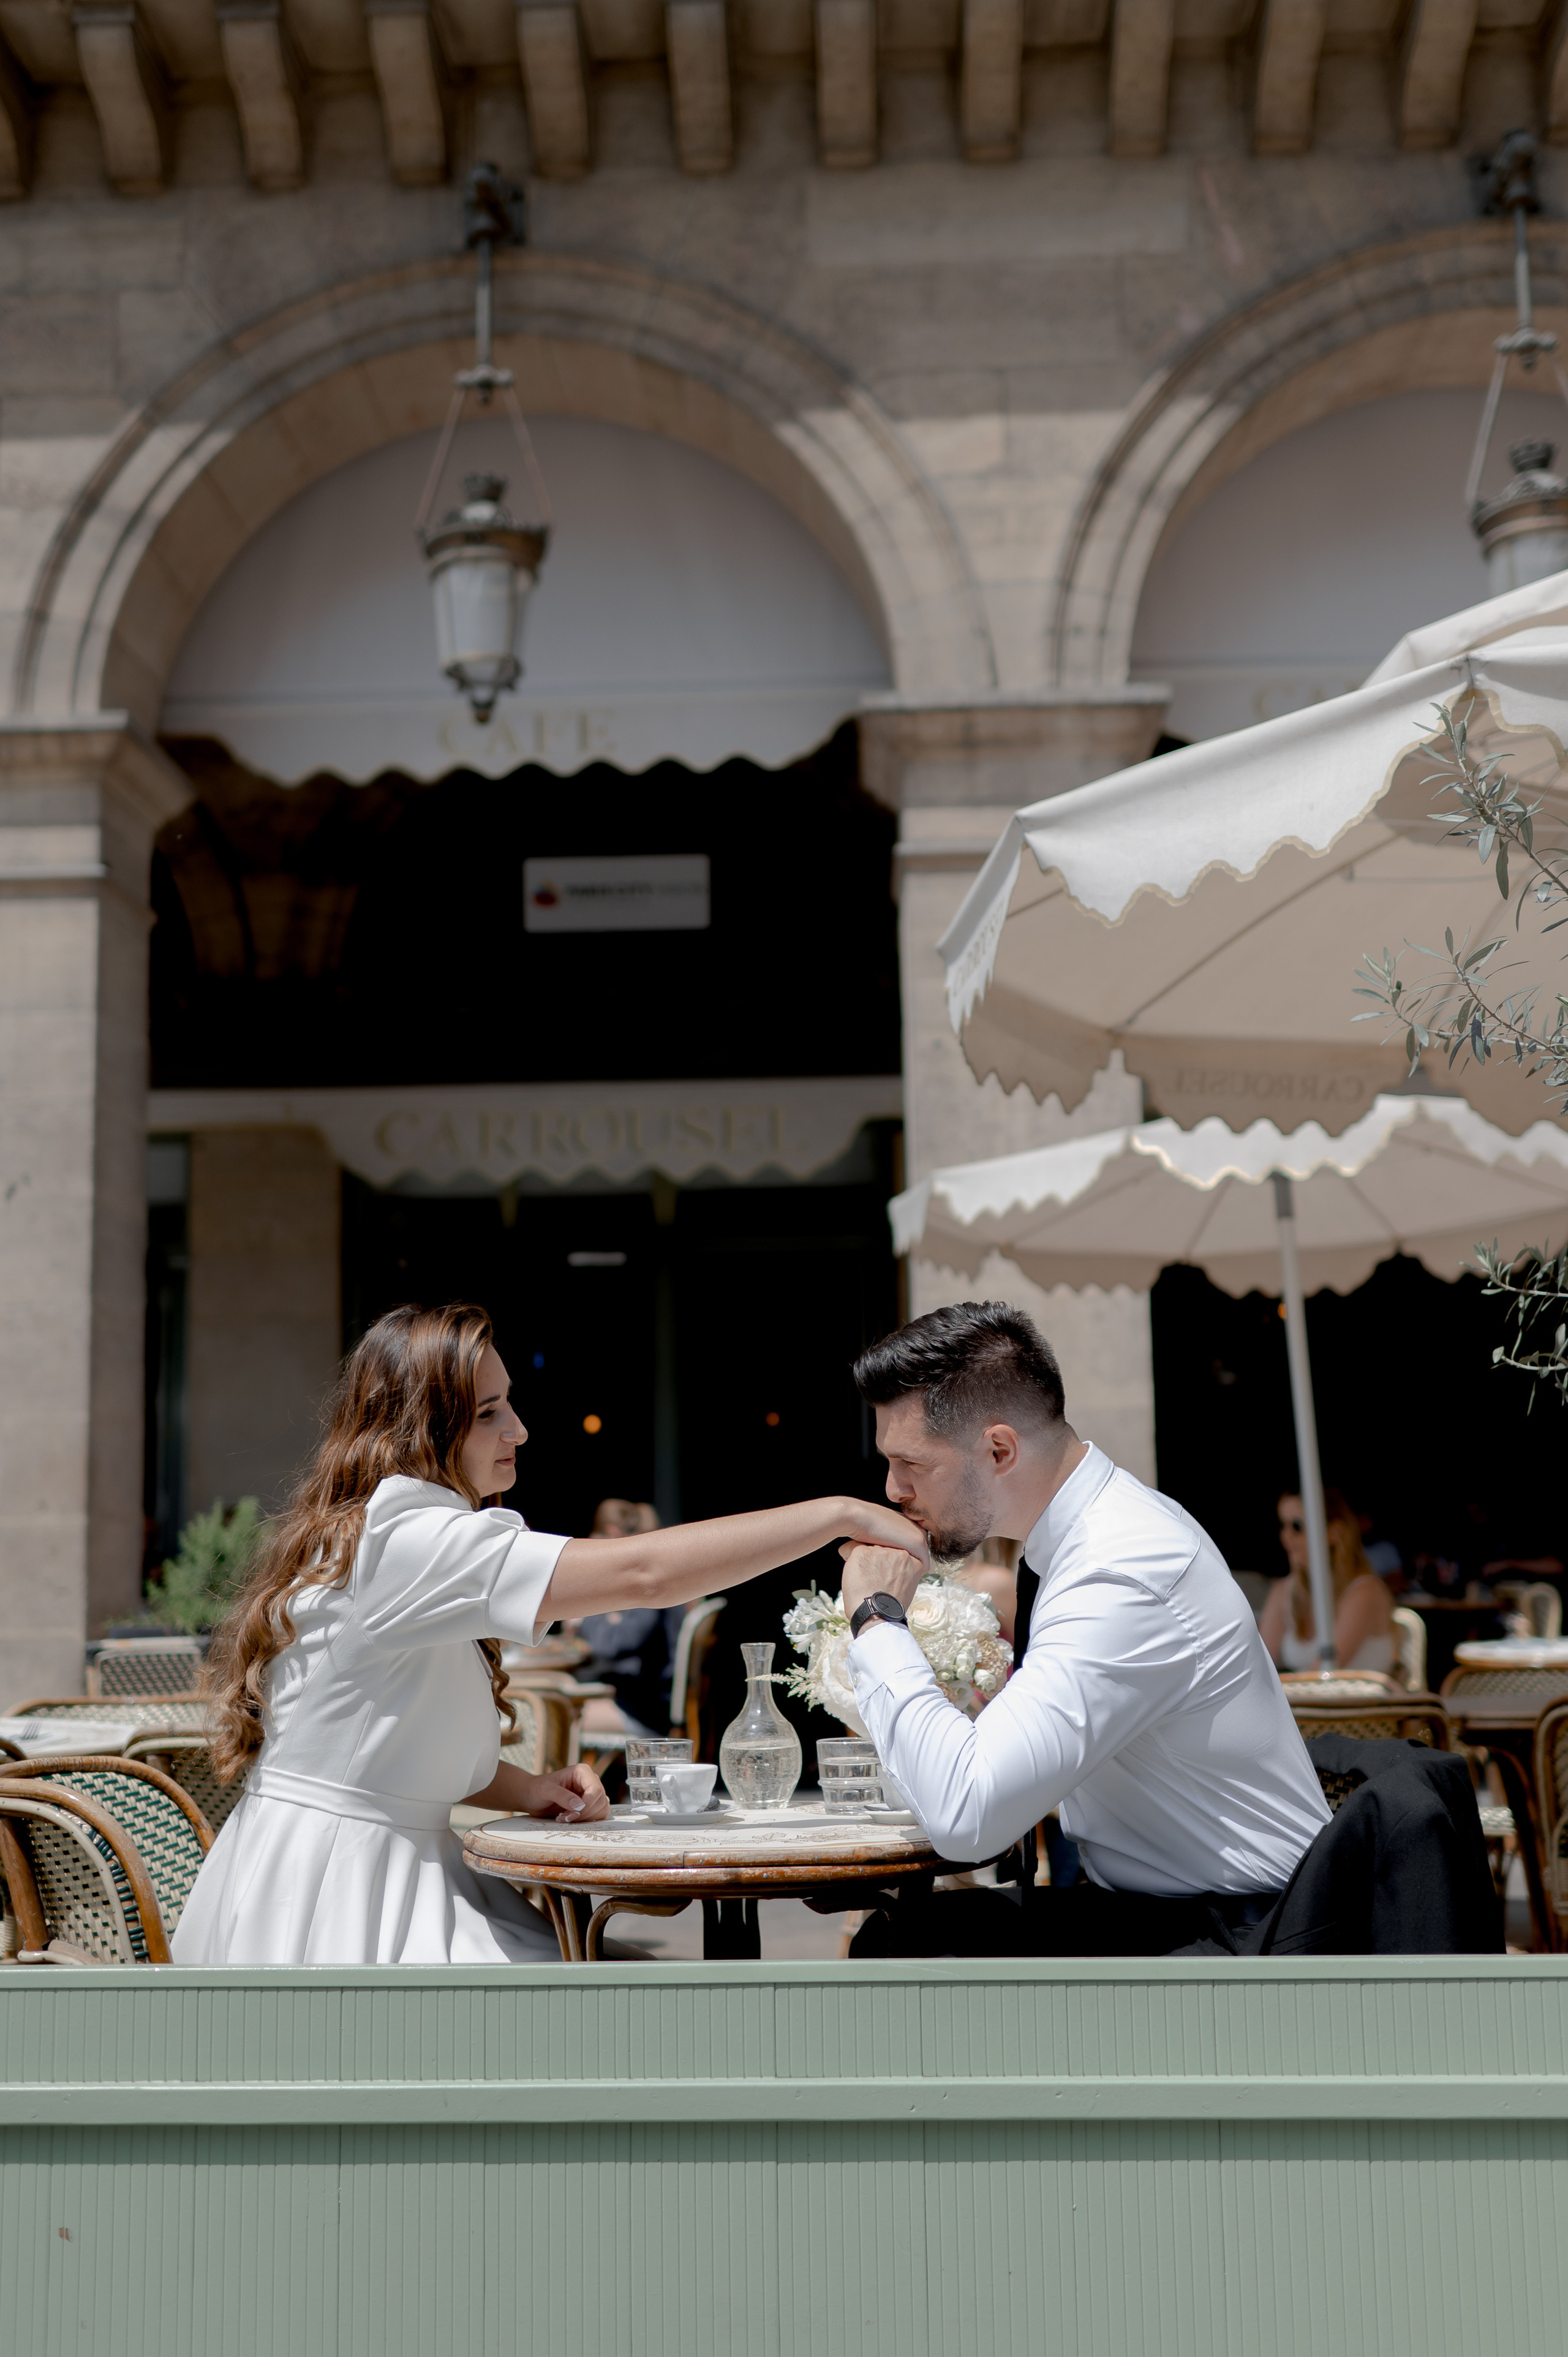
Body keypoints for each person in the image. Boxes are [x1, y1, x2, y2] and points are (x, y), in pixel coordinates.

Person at [173, 1302, 921, 1966]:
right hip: (346, 1901)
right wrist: (840, 1515)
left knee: (635, 1995)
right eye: (489, 1412)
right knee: (636, 2011)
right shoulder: (407, 1539)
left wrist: (527, 1788)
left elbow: (379, 1745)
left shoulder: (378, 1532)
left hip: (344, 1872)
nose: (519, 1430)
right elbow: (644, 1575)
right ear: (424, 1428)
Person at [834, 1301, 1331, 1958]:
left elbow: (966, 1814)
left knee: (902, 1949)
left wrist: (876, 1618)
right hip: (1175, 1910)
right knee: (905, 1937)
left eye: (913, 1465)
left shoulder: (1119, 1568)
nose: (893, 1488)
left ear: (999, 1449)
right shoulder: (1088, 1538)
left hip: (1251, 1942)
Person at [574, 1499, 681, 1740]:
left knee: (557, 1713)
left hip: (646, 1712)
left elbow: (609, 1646)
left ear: (611, 1534)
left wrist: (585, 1615)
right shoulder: (656, 1578)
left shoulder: (649, 1585)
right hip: (644, 1700)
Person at [1261, 1488, 1396, 1674]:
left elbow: (1325, 1671)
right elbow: (1259, 1665)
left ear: (1334, 1532)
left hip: (1359, 1702)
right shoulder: (1284, 1590)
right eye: (1284, 1526)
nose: (1286, 1536)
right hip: (1305, 1700)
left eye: (1297, 1526)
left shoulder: (1365, 1591)